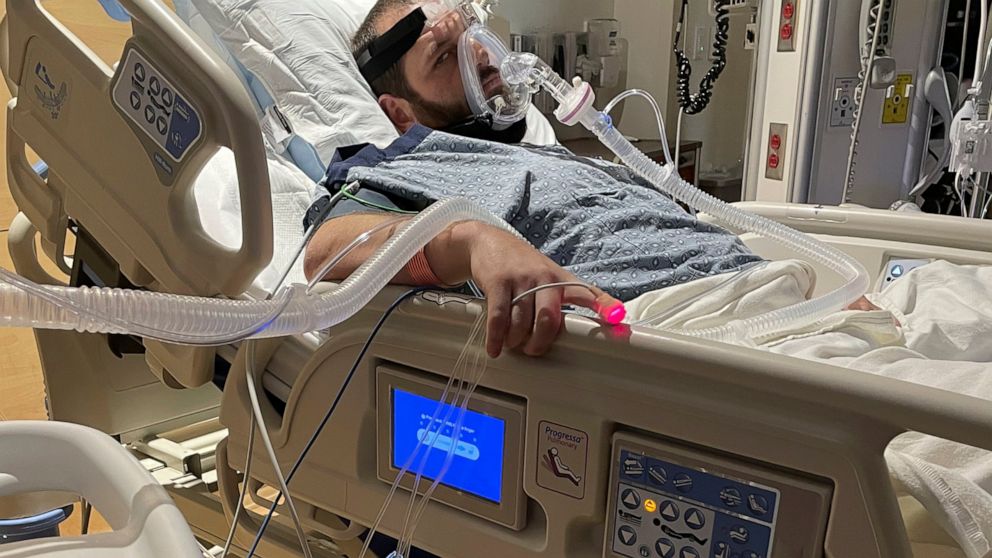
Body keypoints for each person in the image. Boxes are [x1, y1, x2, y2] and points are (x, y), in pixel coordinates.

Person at [303, 0, 763, 358]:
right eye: (444, 57)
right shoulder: (399, 166)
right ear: (400, 113)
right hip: (687, 330)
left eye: (471, 35)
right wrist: (470, 242)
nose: (479, 55)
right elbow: (327, 252)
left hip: (760, 288)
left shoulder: (540, 152)